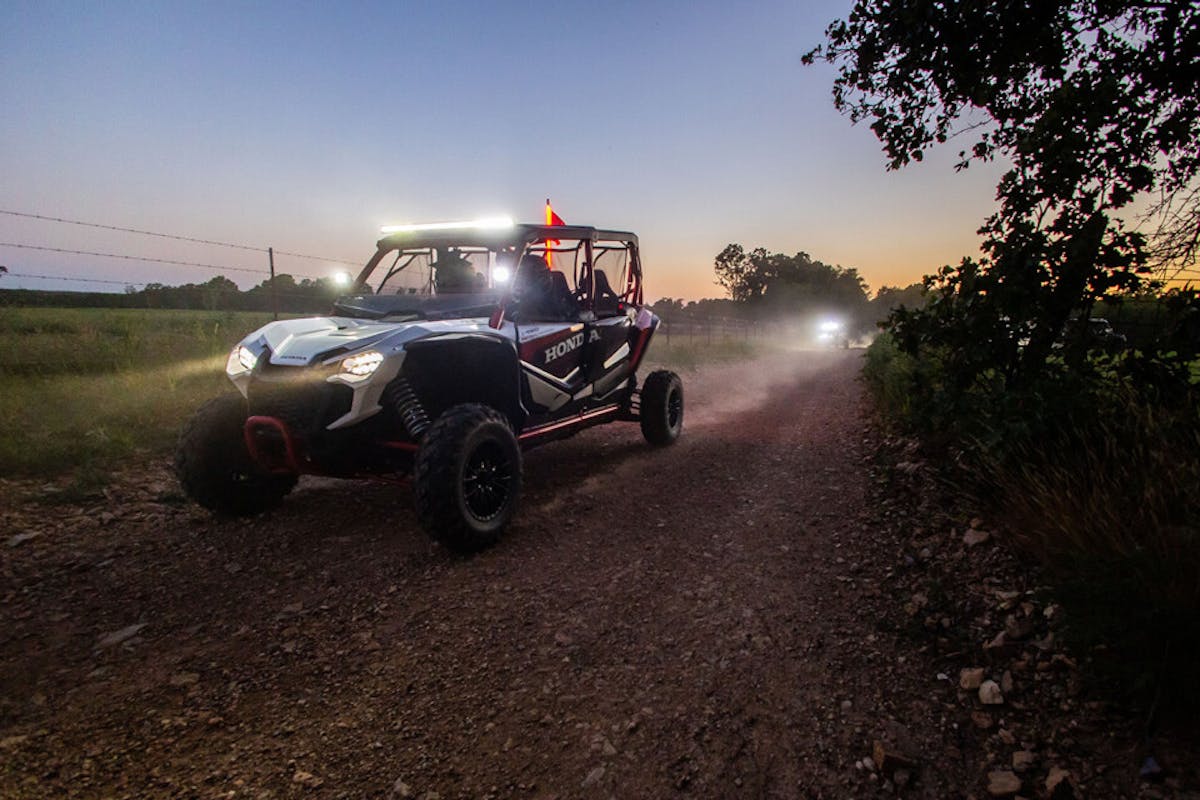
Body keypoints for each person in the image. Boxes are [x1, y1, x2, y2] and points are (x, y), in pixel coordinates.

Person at [512, 254, 576, 321]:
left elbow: (571, 305)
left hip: (556, 323)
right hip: (526, 324)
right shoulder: (514, 289)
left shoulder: (557, 279)